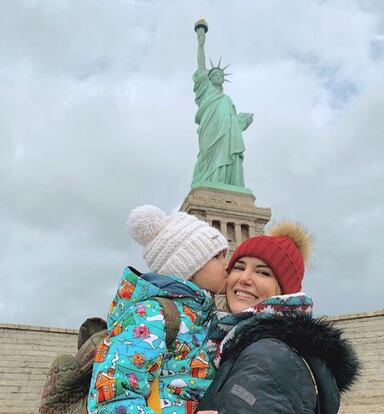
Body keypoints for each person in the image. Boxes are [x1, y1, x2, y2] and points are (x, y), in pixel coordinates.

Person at [197, 222, 360, 414]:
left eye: (262, 272)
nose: (244, 278)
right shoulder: (243, 344)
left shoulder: (267, 354)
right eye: (239, 267)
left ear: (284, 290)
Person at [88, 205, 229, 414]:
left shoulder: (204, 316)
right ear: (188, 265)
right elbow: (110, 402)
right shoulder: (151, 315)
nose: (227, 265)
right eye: (217, 257)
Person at [191, 20, 254, 190]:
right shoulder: (205, 90)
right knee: (207, 154)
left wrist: (241, 121)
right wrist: (201, 42)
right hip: (210, 129)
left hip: (226, 132)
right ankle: (208, 180)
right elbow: (201, 64)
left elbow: (234, 123)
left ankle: (225, 183)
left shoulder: (227, 100)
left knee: (226, 152)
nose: (218, 76)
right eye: (214, 74)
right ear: (208, 79)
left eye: (220, 74)